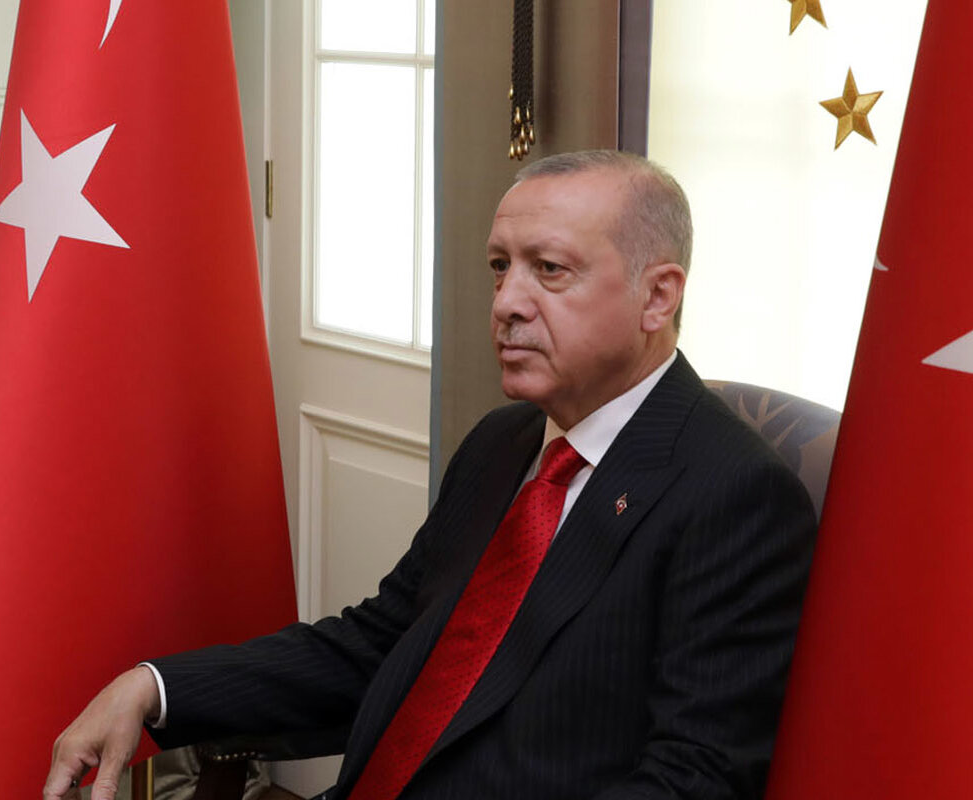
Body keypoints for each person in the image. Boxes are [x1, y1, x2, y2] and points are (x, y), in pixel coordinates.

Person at [44, 150, 817, 800]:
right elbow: (379, 645)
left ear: (658, 296)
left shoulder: (734, 495)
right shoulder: (503, 444)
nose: (507, 303)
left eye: (549, 270)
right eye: (500, 267)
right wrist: (152, 687)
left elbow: (693, 780)